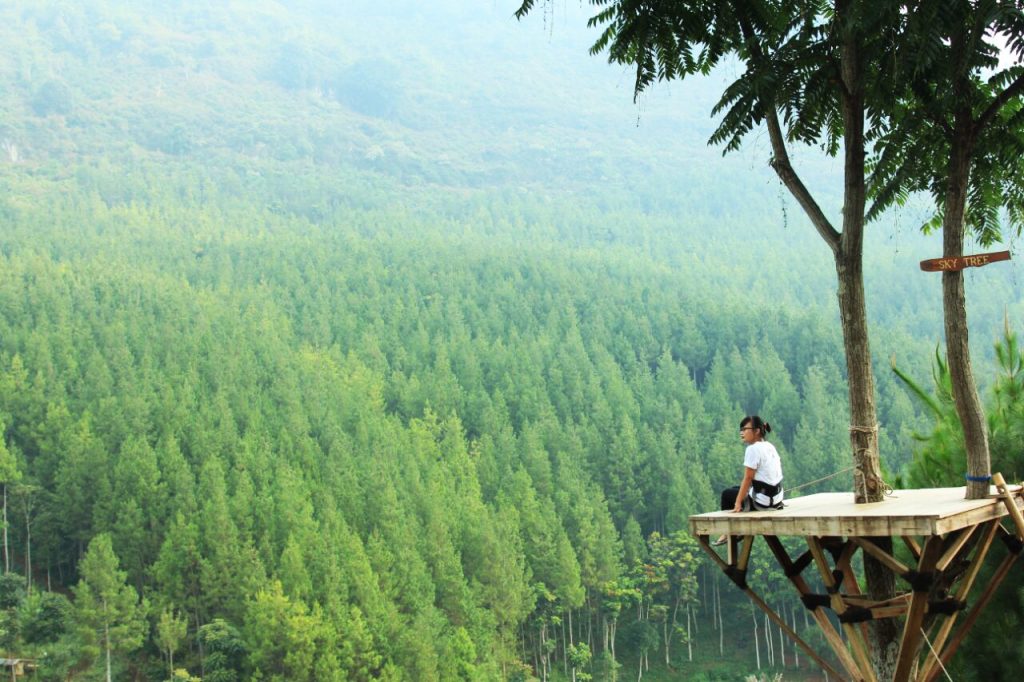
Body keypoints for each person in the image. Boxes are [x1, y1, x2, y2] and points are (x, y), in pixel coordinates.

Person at [713, 415, 784, 546]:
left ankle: (729, 531)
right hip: (776, 499)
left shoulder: (752, 449)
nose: (742, 432)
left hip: (763, 503)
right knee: (735, 489)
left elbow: (748, 478)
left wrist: (738, 503)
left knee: (727, 494)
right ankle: (732, 530)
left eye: (745, 429)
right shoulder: (769, 446)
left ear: (756, 431)